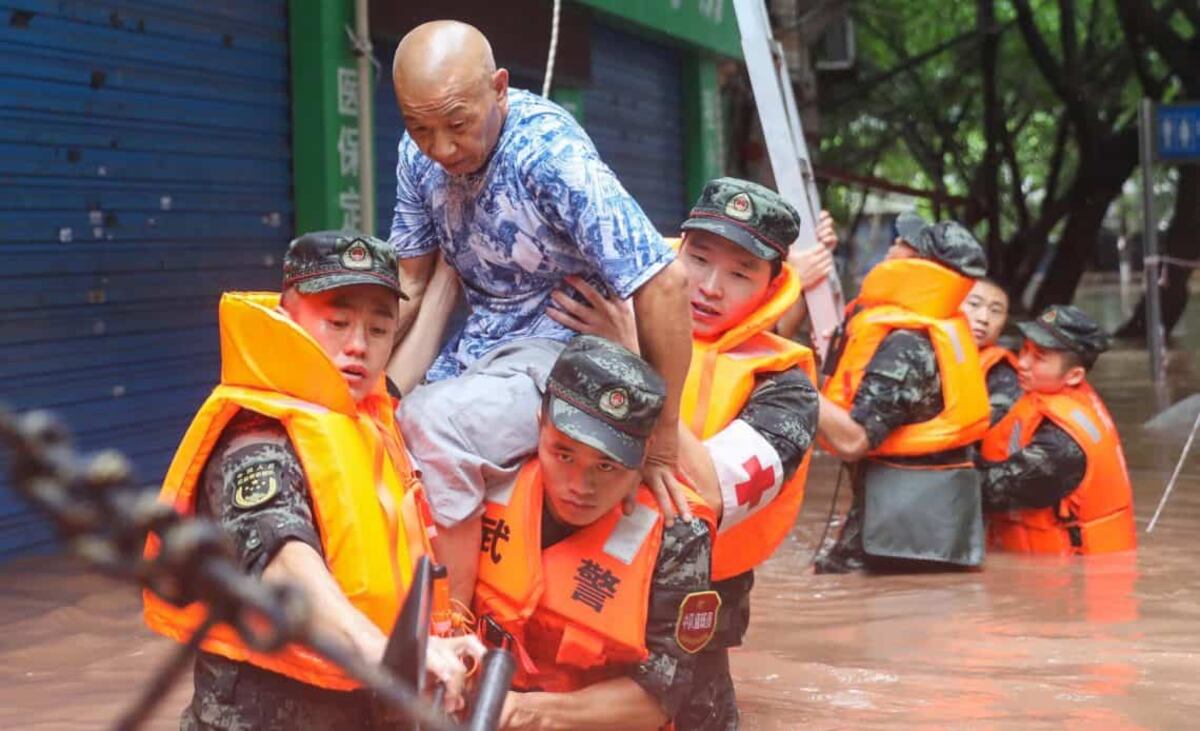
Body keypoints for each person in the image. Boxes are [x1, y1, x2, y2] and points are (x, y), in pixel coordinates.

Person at [386, 19, 693, 605]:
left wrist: (661, 439)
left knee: (428, 420)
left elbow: (667, 283)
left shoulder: (550, 157)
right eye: (420, 127)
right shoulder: (415, 157)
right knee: (384, 430)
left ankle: (453, 626)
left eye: (457, 124)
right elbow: (411, 283)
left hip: (564, 352)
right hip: (479, 351)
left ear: (499, 89)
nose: (441, 149)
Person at [143, 232, 483, 729]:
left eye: (379, 329)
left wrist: (431, 642)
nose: (358, 346)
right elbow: (284, 562)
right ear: (286, 318)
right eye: (338, 323)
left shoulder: (364, 417)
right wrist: (386, 650)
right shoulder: (256, 436)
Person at [546, 178, 821, 728]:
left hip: (690, 607)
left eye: (740, 273)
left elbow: (717, 491)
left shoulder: (787, 387)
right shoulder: (598, 308)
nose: (709, 287)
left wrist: (639, 357)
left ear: (771, 287)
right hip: (561, 583)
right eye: (697, 259)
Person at [470, 335, 719, 729]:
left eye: (607, 466)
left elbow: (661, 695)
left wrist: (527, 711)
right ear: (540, 426)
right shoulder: (481, 479)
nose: (580, 485)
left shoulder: (678, 534)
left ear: (645, 453)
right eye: (563, 454)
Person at [815, 214, 991, 574]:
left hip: (894, 543)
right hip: (924, 538)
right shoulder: (933, 329)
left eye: (901, 242)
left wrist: (791, 381)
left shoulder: (908, 344)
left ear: (918, 262)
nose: (891, 246)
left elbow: (853, 441)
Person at [978, 305, 1136, 554]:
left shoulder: (1061, 445)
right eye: (1024, 349)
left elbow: (986, 490)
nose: (1021, 363)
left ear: (1074, 376)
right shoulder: (1043, 397)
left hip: (1072, 581)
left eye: (1038, 357)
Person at [960, 277, 1022, 425]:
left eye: (996, 311)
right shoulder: (916, 348)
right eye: (974, 304)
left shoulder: (1004, 377)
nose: (984, 318)